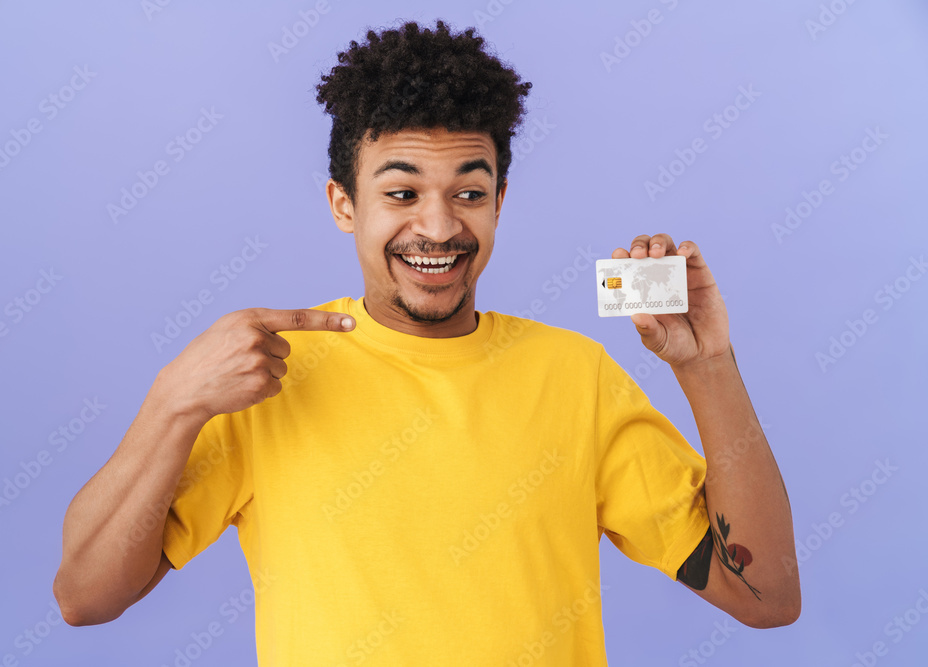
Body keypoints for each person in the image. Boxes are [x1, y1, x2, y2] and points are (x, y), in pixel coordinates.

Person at [53, 19, 800, 665]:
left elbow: (766, 595)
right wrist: (172, 402)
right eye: (401, 193)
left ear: (500, 201)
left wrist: (708, 367)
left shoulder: (576, 377)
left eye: (469, 192)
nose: (439, 227)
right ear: (344, 204)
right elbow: (83, 596)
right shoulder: (269, 375)